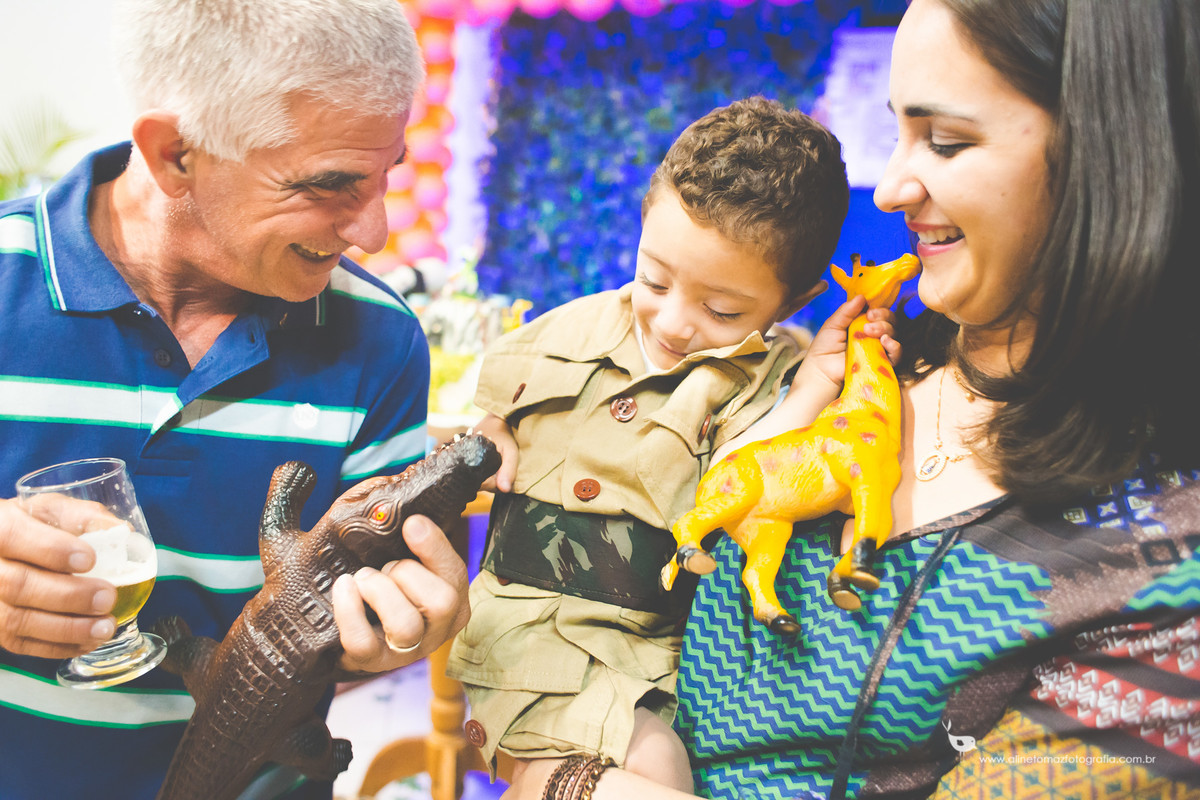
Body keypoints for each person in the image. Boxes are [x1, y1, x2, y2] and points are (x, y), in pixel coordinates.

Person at [510, 1, 1200, 799]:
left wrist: (570, 785)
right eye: (898, 132)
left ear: (1109, 152)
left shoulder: (1162, 564)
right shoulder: (842, 372)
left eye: (946, 141)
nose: (892, 189)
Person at [0, 2, 470, 799]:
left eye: (387, 171)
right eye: (329, 183)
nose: (375, 231)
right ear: (175, 153)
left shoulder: (384, 339)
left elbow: (358, 640)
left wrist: (400, 631)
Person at [446, 97, 900, 796]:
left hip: (658, 655)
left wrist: (814, 384)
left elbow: (749, 474)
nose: (674, 322)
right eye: (654, 278)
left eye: (722, 310)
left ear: (793, 300)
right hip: (531, 638)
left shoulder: (775, 378)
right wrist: (489, 433)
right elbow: (496, 411)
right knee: (659, 774)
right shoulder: (570, 328)